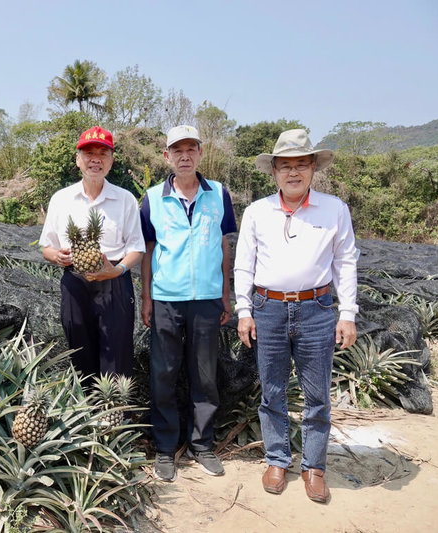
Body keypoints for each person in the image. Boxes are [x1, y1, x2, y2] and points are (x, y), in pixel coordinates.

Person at [234, 128, 358, 504]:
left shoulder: (333, 209)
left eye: (301, 165)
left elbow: (346, 261)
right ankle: (276, 458)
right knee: (272, 390)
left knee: (317, 393)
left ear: (312, 169)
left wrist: (348, 312)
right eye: (285, 166)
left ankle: (314, 466)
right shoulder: (258, 211)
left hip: (317, 309)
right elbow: (244, 264)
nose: (293, 173)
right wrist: (244, 310)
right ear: (273, 171)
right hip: (267, 308)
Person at [139, 125, 237, 482]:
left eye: (190, 149)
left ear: (200, 153)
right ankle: (166, 449)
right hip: (166, 299)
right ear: (166, 156)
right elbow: (148, 251)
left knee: (205, 375)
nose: (184, 156)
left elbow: (224, 246)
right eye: (176, 150)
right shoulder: (152, 198)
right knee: (163, 374)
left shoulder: (219, 195)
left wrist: (226, 293)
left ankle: (202, 444)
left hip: (208, 300)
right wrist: (146, 298)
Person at [39, 126, 145, 379]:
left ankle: (114, 414)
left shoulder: (125, 199)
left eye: (102, 153)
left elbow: (137, 248)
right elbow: (46, 247)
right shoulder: (61, 199)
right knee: (79, 353)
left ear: (111, 161)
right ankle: (86, 413)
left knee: (116, 355)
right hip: (75, 281)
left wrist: (117, 270)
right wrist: (56, 256)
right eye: (88, 153)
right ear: (78, 159)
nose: (95, 159)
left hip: (115, 281)